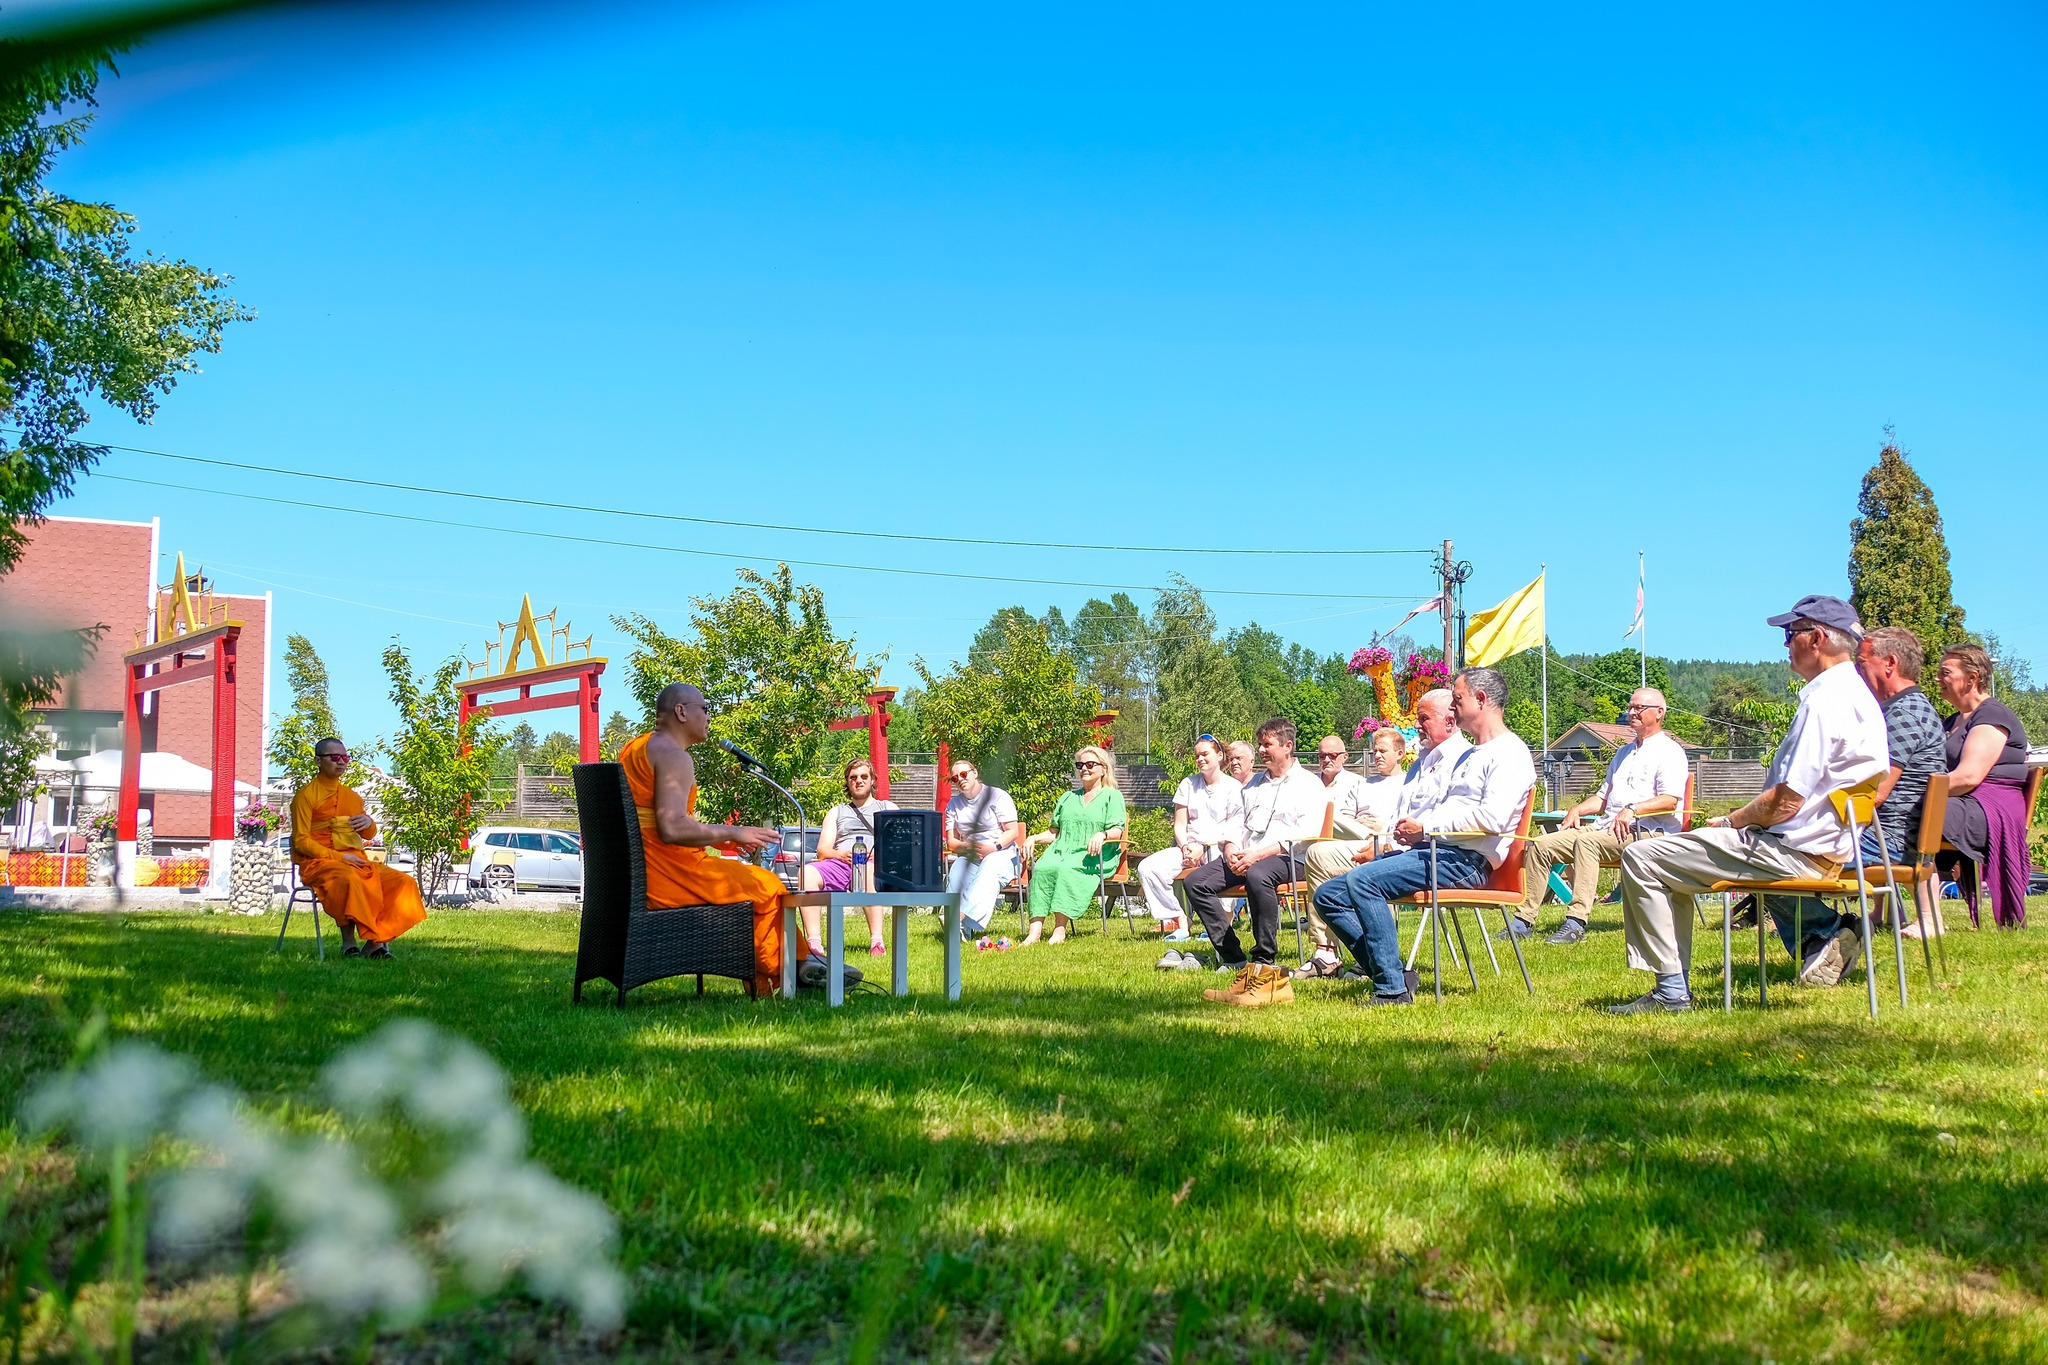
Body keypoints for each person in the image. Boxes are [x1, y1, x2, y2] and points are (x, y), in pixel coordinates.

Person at [1610, 596, 1888, 1013]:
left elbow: (1786, 800)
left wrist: (1731, 819)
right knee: (1671, 861)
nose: (1785, 645)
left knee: (1641, 857)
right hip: (1829, 848)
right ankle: (1823, 929)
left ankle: (1670, 991)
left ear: (1817, 638)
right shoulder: (1862, 698)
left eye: (1790, 635)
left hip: (1792, 852)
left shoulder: (1824, 701)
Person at [1310, 668, 1536, 1006]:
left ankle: (1391, 990)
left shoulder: (1510, 753)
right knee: (1329, 895)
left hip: (1465, 862)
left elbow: (1493, 818)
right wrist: (1408, 837)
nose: (1454, 708)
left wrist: (1425, 829)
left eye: (1458, 699)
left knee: (1363, 883)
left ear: (1482, 700)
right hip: (1435, 852)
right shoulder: (1473, 754)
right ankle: (1394, 973)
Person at [1764, 626, 1947, 938]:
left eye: (1861, 663)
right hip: (1885, 836)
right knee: (1771, 843)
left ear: (1890, 664)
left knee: (1769, 851)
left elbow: (1876, 793)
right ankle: (1822, 934)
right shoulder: (1902, 709)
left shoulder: (1905, 714)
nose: (1855, 672)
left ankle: (1828, 934)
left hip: (1886, 841)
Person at [618, 684, 790, 995]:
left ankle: (791, 969)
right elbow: (670, 828)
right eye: (705, 708)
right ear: (681, 712)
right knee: (768, 886)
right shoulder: (674, 756)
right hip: (669, 879)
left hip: (642, 874)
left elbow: (652, 824)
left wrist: (719, 841)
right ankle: (791, 973)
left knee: (754, 881)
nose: (709, 716)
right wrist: (732, 831)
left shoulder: (636, 747)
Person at [1515, 687, 1690, 946]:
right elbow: (1603, 798)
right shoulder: (1623, 753)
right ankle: (1523, 921)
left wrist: (1633, 809)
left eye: (1639, 708)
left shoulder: (1670, 752)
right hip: (1607, 827)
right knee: (1541, 845)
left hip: (1649, 832)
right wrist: (1578, 809)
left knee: (1587, 843)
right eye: (1630, 707)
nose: (1632, 713)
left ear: (1660, 713)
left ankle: (1576, 922)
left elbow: (1670, 800)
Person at [1184, 717, 1328, 1006]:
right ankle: (1234, 957)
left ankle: (1264, 958)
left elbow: (1304, 834)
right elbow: (1236, 823)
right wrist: (1231, 849)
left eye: (1268, 745)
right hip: (1246, 857)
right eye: (1260, 744)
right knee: (1195, 881)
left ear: (1288, 746)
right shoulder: (1253, 786)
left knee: (1258, 874)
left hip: (1291, 858)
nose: (1262, 750)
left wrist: (1257, 855)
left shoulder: (1309, 785)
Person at [290, 738, 427, 958]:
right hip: (320, 863)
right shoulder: (305, 797)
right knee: (350, 879)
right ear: (318, 760)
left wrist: (369, 824)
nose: (341, 762)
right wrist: (340, 857)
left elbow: (368, 834)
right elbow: (301, 841)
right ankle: (349, 942)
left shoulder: (352, 797)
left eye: (345, 758)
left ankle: (376, 942)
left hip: (358, 860)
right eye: (335, 757)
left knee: (404, 883)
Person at [1933, 642, 2034, 929]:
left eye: (1945, 672)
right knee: (1900, 811)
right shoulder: (1953, 721)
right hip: (1966, 803)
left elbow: (1968, 777)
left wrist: (1916, 791)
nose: (1938, 679)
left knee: (1911, 812)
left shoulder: (1993, 716)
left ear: (1973, 678)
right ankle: (1892, 911)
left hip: (1992, 810)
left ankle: (1929, 919)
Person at [1292, 729, 1406, 980]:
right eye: (1374, 750)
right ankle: (1326, 951)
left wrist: (1382, 829)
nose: (1376, 755)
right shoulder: (1363, 784)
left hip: (1393, 846)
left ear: (1400, 753)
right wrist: (1360, 824)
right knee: (1317, 853)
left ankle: (1377, 954)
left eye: (1382, 751)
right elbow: (1343, 817)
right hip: (1358, 842)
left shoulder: (1409, 783)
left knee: (1376, 860)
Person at [1139, 736, 1244, 956]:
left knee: (1226, 860)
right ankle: (1180, 920)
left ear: (1219, 755)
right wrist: (1185, 845)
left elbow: (1234, 826)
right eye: (1197, 755)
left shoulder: (1233, 787)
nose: (1200, 759)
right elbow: (1179, 823)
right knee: (1148, 868)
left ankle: (1222, 923)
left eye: (1205, 754)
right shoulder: (1188, 784)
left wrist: (1205, 846)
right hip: (1189, 847)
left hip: (1220, 846)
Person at [1023, 746, 1127, 946]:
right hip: (1062, 849)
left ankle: (1059, 930)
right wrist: (1033, 838)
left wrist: (1102, 834)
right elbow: (1054, 833)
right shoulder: (1068, 798)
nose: (1084, 769)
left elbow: (1117, 830)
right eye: (1080, 765)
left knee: (1066, 869)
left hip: (1094, 855)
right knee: (1043, 868)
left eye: (1090, 764)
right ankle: (1034, 933)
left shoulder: (1112, 796)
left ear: (1103, 769)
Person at [797, 757, 897, 965]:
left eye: (863, 776)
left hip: (872, 864)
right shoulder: (837, 811)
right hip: (839, 863)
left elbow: (898, 844)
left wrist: (878, 855)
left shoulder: (887, 807)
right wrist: (840, 854)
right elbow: (823, 849)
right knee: (805, 873)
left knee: (869, 872)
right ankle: (814, 943)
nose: (858, 781)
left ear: (872, 780)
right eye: (853, 777)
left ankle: (877, 941)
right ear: (847, 782)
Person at [943, 756, 1024, 939]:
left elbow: (1012, 832)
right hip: (970, 855)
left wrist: (992, 848)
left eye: (964, 774)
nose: (960, 780)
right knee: (956, 876)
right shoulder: (953, 805)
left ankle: (958, 919)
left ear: (975, 773)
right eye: (955, 778)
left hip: (1002, 852)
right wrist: (968, 847)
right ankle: (962, 929)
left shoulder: (997, 796)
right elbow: (952, 842)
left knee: (989, 869)